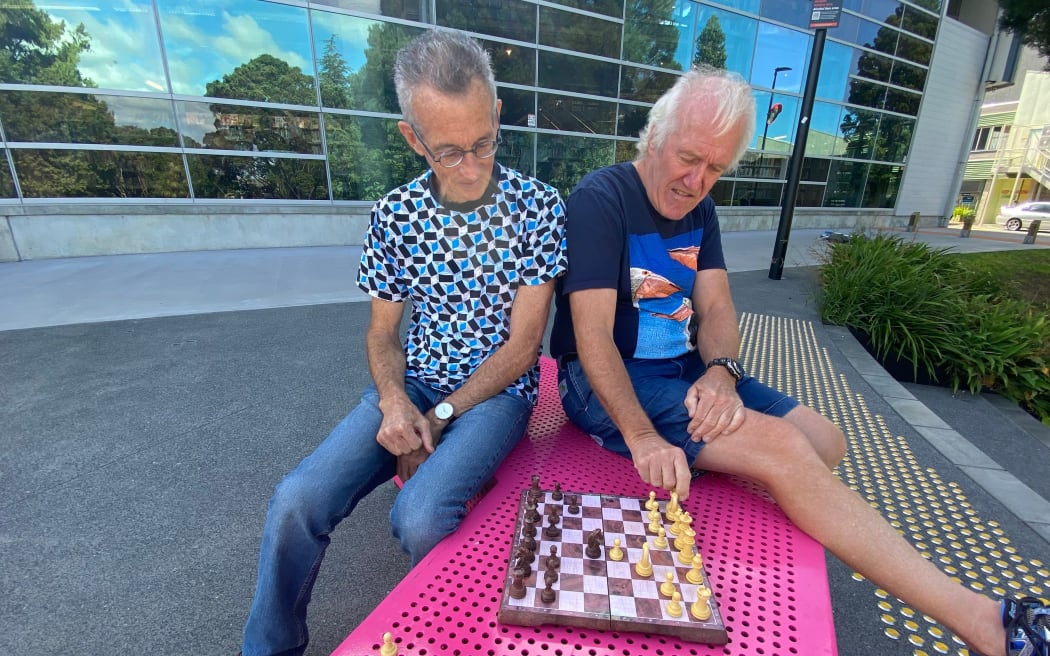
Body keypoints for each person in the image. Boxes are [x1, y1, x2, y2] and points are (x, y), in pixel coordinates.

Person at [548, 66, 1048, 656]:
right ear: (655, 135)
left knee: (826, 440)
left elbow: (718, 307)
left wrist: (722, 374)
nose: (697, 180)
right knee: (786, 450)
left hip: (684, 375)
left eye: (716, 169)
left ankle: (728, 457)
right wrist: (641, 438)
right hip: (603, 383)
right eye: (689, 158)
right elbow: (592, 339)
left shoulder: (700, 211)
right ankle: (985, 622)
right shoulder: (600, 200)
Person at [240, 29, 566, 656]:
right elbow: (383, 333)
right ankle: (270, 647)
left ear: (496, 114)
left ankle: (450, 635)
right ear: (412, 138)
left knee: (418, 518)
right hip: (413, 384)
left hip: (498, 395)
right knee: (296, 498)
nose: (471, 168)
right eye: (448, 152)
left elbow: (525, 347)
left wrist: (439, 419)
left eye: (483, 143)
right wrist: (395, 403)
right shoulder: (394, 216)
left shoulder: (538, 208)